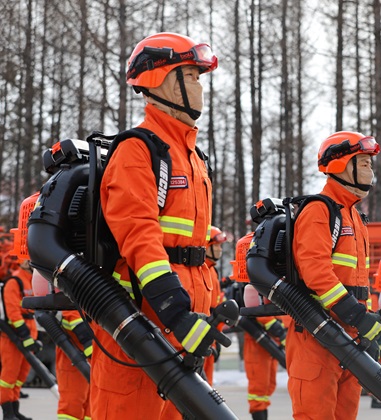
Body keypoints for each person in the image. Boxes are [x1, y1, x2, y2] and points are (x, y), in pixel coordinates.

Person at [91, 32, 219, 420]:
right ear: (163, 80)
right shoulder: (138, 150)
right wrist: (175, 312)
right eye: (191, 76)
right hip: (143, 332)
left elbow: (194, 251)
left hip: (187, 329)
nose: (200, 87)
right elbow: (139, 238)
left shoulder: (193, 157)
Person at [287, 131, 381, 419]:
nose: (370, 171)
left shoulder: (354, 217)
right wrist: (357, 315)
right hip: (317, 336)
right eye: (364, 163)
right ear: (341, 165)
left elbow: (359, 284)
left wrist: (365, 323)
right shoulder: (319, 210)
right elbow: (316, 272)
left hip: (349, 336)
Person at [0, 259, 40, 420]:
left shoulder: (32, 280)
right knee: (9, 376)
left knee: (20, 376)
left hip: (29, 332)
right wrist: (25, 335)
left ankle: (15, 410)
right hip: (13, 338)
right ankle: (7, 412)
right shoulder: (14, 281)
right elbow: (13, 312)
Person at [57, 310, 93, 420]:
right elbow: (72, 314)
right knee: (72, 403)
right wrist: (88, 341)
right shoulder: (72, 301)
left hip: (93, 354)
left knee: (92, 404)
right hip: (73, 354)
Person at [203, 226, 227, 386]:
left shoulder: (211, 270)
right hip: (204, 333)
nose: (220, 249)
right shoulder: (203, 269)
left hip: (210, 335)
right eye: (216, 246)